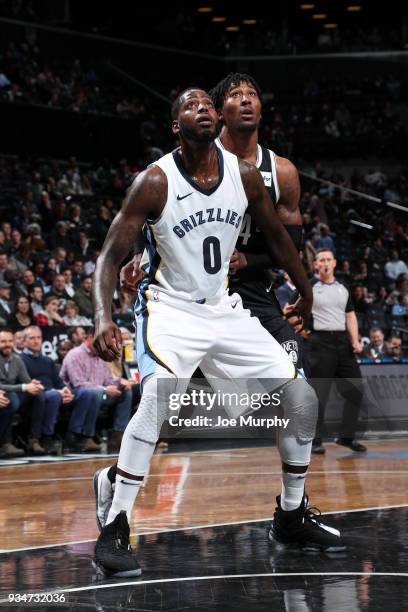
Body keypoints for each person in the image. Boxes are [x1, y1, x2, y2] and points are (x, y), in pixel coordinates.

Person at [91, 87, 343, 578]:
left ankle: (291, 514)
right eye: (190, 105)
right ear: (175, 125)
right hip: (170, 308)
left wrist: (306, 291)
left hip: (222, 308)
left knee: (301, 398)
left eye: (207, 103)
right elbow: (108, 256)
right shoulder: (154, 181)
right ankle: (115, 526)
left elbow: (277, 238)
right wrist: (103, 316)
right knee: (158, 398)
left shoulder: (244, 175)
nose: (202, 109)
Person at [307, 249, 367, 455]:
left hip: (343, 342)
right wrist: (303, 332)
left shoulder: (343, 288)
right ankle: (315, 440)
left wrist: (355, 340)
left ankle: (346, 437)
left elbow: (350, 315)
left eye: (328, 259)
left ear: (334, 263)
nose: (325, 263)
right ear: (315, 265)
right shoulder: (308, 286)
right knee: (319, 394)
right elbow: (291, 309)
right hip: (320, 342)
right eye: (321, 260)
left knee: (355, 391)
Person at [21, 326, 100, 453]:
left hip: (55, 393)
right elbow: (28, 382)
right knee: (53, 395)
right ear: (24, 341)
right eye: (32, 338)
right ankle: (47, 437)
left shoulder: (47, 360)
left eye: (38, 338)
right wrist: (57, 392)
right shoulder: (21, 359)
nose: (36, 341)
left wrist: (65, 390)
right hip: (36, 394)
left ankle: (74, 434)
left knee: (85, 393)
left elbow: (58, 381)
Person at [59, 329, 132, 452]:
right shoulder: (74, 355)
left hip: (99, 394)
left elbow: (108, 379)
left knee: (126, 391)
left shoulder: (101, 356)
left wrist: (120, 382)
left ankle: (118, 434)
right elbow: (78, 384)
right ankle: (86, 436)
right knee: (95, 393)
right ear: (91, 338)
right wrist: (104, 389)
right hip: (73, 395)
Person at [0, 328, 46, 455]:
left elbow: (27, 381)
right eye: (3, 341)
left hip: (11, 394)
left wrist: (35, 385)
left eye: (10, 341)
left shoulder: (17, 359)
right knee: (11, 399)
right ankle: (5, 443)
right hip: (6, 395)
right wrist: (24, 387)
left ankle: (34, 439)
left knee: (38, 395)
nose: (7, 344)